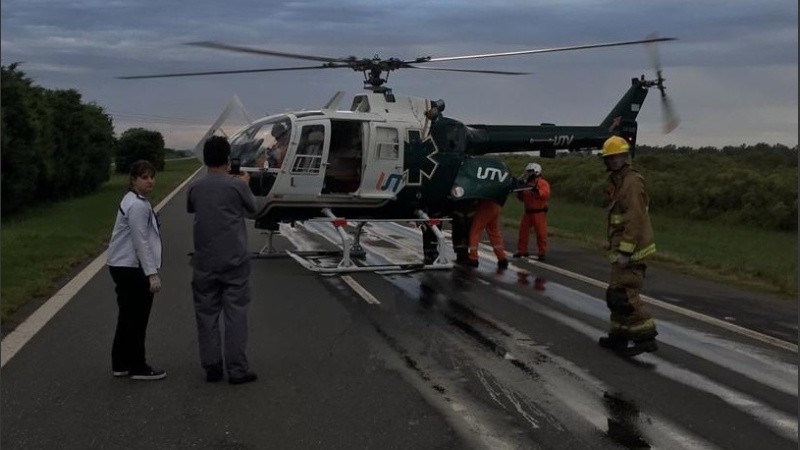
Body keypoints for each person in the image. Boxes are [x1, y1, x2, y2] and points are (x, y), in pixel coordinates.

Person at [187, 136, 258, 384]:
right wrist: (245, 184)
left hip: (204, 261)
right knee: (235, 315)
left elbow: (193, 208)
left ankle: (212, 366)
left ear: (205, 159)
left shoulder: (195, 187)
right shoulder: (236, 186)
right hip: (234, 261)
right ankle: (237, 369)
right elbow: (253, 208)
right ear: (228, 159)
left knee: (206, 315)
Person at [597, 135, 658, 357]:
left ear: (626, 157)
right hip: (620, 249)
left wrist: (625, 250)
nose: (613, 161)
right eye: (610, 158)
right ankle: (619, 336)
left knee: (625, 295)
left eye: (618, 157)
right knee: (615, 294)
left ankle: (646, 337)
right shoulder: (618, 181)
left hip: (631, 250)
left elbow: (635, 218)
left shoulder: (631, 182)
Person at [106, 160, 165, 380]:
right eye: (144, 177)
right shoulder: (138, 205)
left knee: (127, 317)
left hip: (121, 264)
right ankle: (137, 366)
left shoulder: (133, 200)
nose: (150, 181)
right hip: (131, 267)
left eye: (152, 176)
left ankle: (120, 363)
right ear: (133, 180)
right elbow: (140, 241)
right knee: (137, 318)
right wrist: (152, 274)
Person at [513, 162, 551, 261]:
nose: (528, 174)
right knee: (523, 232)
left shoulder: (542, 183)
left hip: (539, 212)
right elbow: (522, 199)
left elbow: (545, 194)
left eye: (530, 172)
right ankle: (522, 250)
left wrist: (537, 191)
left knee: (541, 233)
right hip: (528, 212)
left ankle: (542, 252)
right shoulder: (527, 184)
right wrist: (519, 192)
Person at [465, 198, 509, 269]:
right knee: (494, 233)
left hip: (485, 205)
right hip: (495, 205)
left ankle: (473, 257)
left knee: (475, 231)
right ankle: (502, 258)